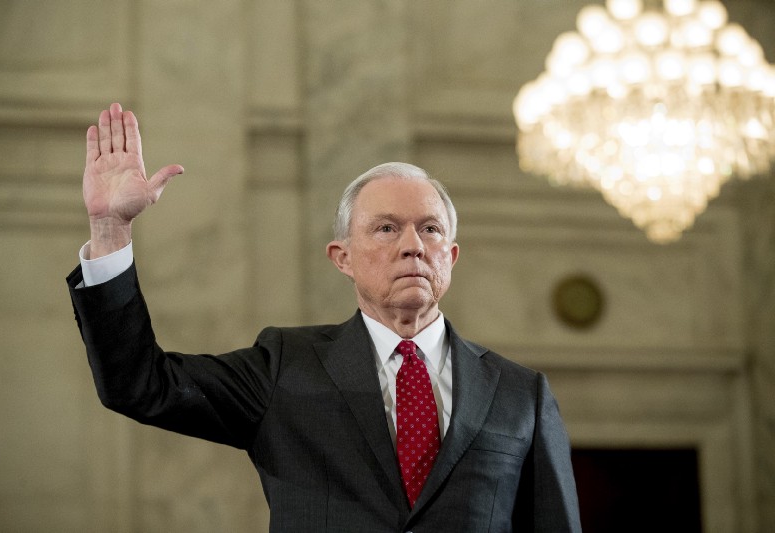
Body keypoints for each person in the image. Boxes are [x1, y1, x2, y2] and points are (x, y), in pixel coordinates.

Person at [67, 103, 581, 532]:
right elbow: (140, 384)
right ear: (343, 257)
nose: (413, 247)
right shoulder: (284, 367)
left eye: (430, 229)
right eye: (386, 228)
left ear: (451, 256)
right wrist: (110, 229)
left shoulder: (521, 394)